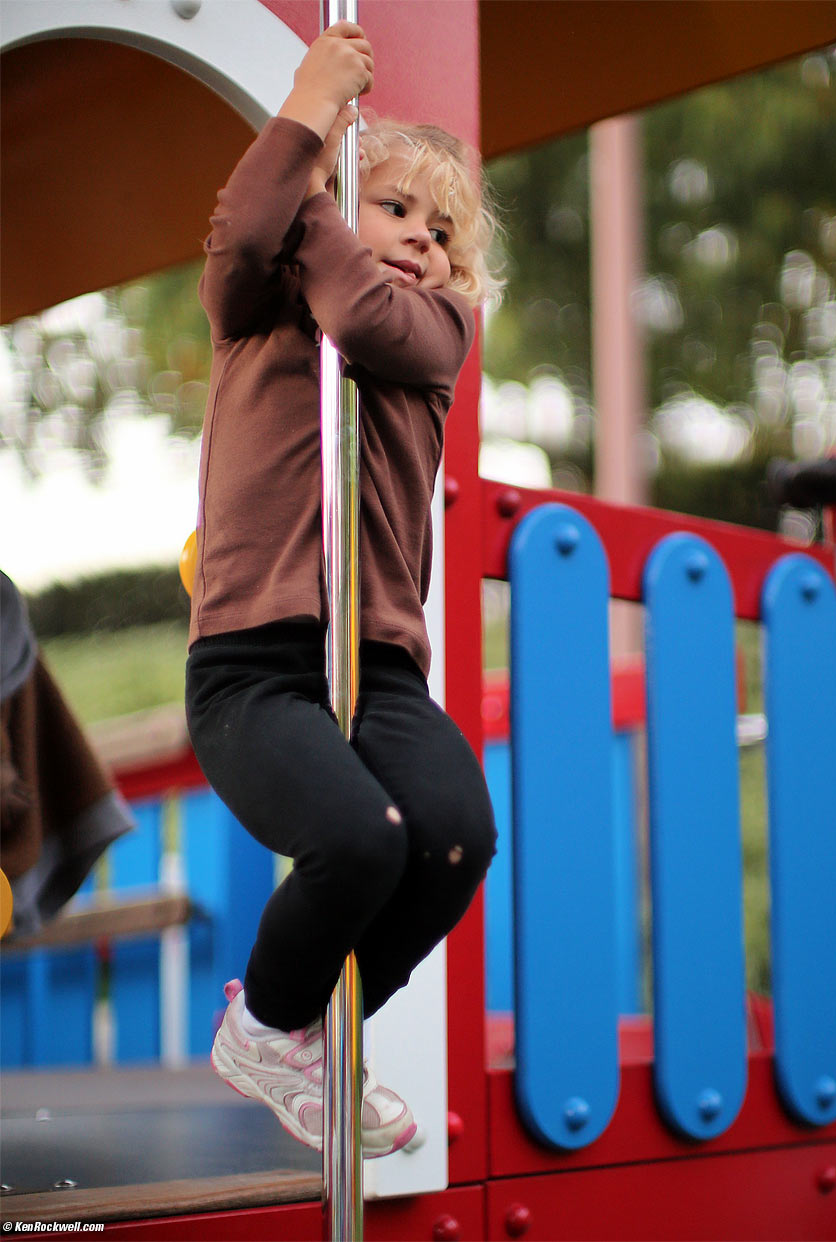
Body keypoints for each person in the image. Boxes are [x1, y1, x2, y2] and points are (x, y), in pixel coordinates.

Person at [185, 21, 499, 1157]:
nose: (419, 240)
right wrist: (307, 125)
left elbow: (362, 313)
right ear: (337, 202)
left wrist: (326, 192)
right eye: (395, 208)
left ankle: (311, 1037)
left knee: (455, 832)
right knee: (359, 841)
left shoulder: (434, 330)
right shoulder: (257, 312)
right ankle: (267, 1030)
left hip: (377, 664)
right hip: (254, 665)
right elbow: (245, 238)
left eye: (441, 228)